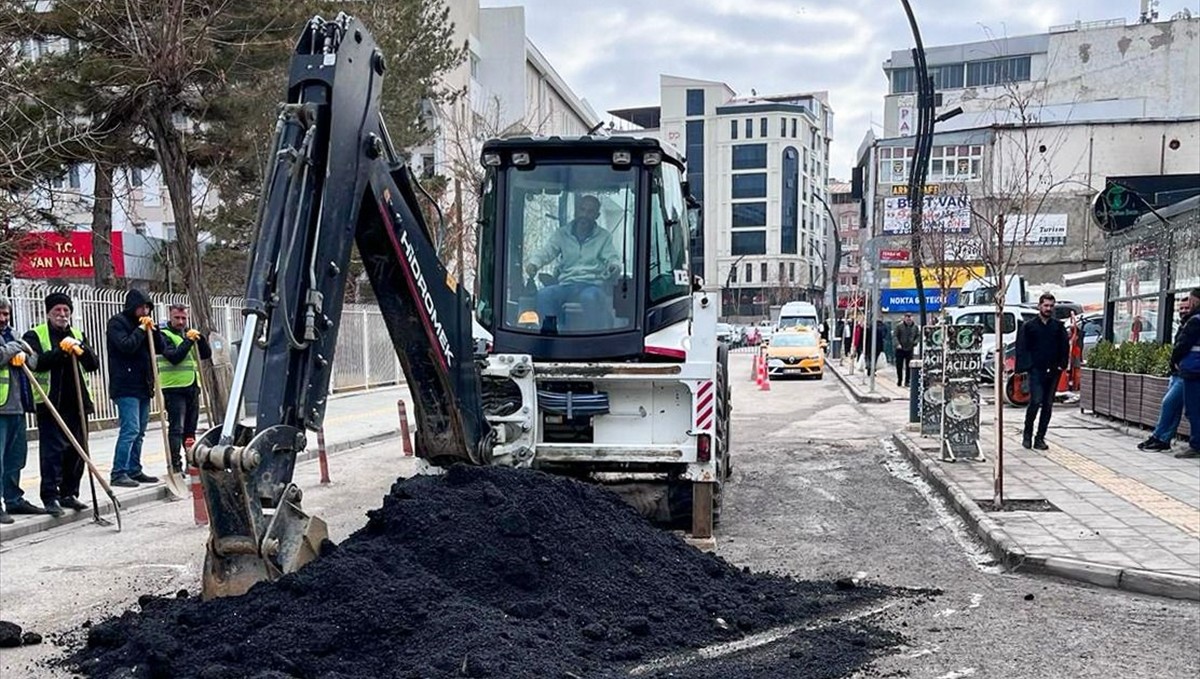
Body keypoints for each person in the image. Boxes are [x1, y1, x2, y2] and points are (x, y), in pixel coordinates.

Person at [22, 292, 101, 517]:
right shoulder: (35, 334)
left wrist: (80, 349)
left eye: (66, 310)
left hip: (77, 402)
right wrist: (61, 351)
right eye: (57, 310)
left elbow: (93, 364)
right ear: (48, 312)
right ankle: (50, 496)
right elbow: (36, 363)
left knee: (78, 451)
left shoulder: (77, 334)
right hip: (51, 403)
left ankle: (69, 492)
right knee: (53, 452)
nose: (62, 314)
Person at [525, 195, 622, 331]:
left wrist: (614, 267)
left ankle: (593, 338)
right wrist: (534, 263)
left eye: (590, 212)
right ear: (576, 211)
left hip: (592, 285)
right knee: (544, 295)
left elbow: (612, 258)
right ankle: (550, 336)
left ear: (597, 215)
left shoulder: (604, 237)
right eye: (582, 210)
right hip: (566, 285)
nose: (585, 215)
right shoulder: (562, 234)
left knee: (590, 297)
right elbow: (547, 252)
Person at [106, 288, 165, 487]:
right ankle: (118, 471)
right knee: (130, 429)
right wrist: (140, 330)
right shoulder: (117, 323)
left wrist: (153, 331)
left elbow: (160, 348)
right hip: (125, 385)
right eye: (142, 307)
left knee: (140, 431)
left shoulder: (146, 324)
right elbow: (126, 346)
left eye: (148, 308)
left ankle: (134, 468)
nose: (145, 311)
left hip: (143, 384)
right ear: (132, 306)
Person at [1, 297, 43, 523]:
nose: (3, 318)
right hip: (0, 408)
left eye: (6, 314)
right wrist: (16, 347)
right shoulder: (14, 340)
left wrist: (25, 355)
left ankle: (14, 499)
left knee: (16, 458)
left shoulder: (14, 334)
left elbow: (34, 361)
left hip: (17, 406)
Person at [157, 304, 212, 473]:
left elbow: (205, 355)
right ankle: (175, 465)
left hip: (192, 386)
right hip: (174, 387)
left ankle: (191, 461)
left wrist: (200, 340)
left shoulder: (188, 333)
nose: (181, 322)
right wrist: (188, 341)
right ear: (170, 317)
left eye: (184, 318)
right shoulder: (162, 335)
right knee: (177, 428)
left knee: (190, 428)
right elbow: (174, 357)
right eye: (177, 318)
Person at [1138, 294, 1193, 452]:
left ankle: (1159, 437)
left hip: (1185, 373)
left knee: (1168, 403)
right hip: (1176, 373)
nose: (1183, 311)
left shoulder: (1193, 324)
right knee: (1173, 407)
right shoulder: (1184, 324)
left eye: (1186, 308)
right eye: (1181, 308)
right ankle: (1162, 439)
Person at [1015, 293, 1069, 450]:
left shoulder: (1058, 327)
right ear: (1039, 306)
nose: (1048, 309)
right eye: (1046, 305)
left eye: (1051, 306)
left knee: (1047, 404)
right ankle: (1027, 434)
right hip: (1036, 370)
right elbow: (1022, 348)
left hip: (1053, 370)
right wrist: (1025, 367)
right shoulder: (1029, 326)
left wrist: (1061, 365)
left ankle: (1040, 437)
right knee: (1035, 401)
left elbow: (1064, 347)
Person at [1170, 288, 1200, 459]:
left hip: (1194, 370)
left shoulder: (1195, 321)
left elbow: (1182, 345)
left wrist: (1174, 361)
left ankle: (1196, 445)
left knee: (1194, 410)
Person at [894, 312, 919, 387]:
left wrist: (915, 342)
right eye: (907, 317)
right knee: (899, 366)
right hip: (900, 349)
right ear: (904, 318)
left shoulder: (915, 327)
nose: (908, 319)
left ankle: (907, 381)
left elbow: (918, 336)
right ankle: (899, 379)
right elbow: (895, 336)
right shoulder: (899, 326)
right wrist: (897, 344)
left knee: (909, 366)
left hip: (909, 348)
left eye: (910, 317)